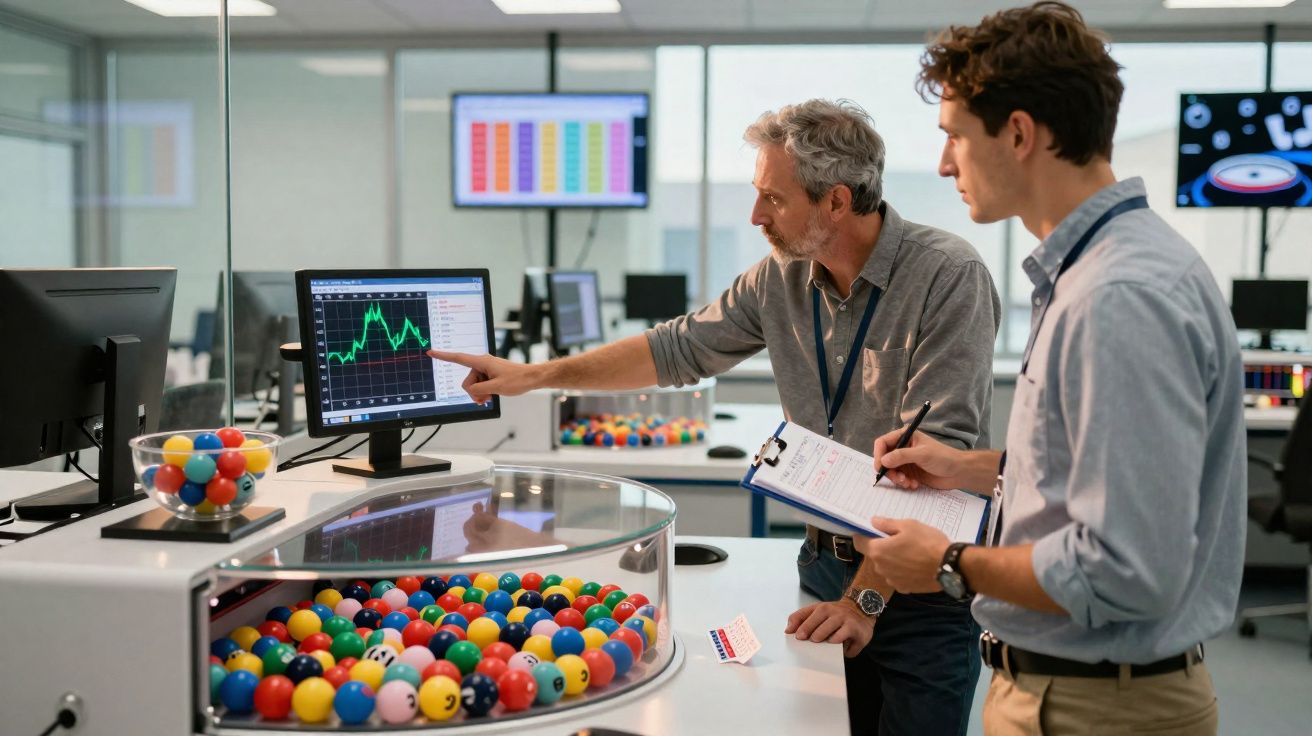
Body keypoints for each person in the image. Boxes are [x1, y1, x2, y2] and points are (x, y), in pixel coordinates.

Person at [429, 98, 1000, 735]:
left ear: (836, 202)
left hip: (916, 590)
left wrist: (864, 600)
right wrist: (536, 376)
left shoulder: (950, 276)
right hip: (821, 566)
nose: (756, 216)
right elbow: (674, 349)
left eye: (774, 200)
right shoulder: (779, 277)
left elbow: (934, 457)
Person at [860, 3, 1246, 735]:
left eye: (955, 139)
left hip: (1094, 708)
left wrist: (949, 561)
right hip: (1081, 694)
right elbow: (1102, 473)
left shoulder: (1116, 298)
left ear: (1018, 133)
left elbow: (1124, 566)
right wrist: (966, 469)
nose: (944, 165)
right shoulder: (1100, 271)